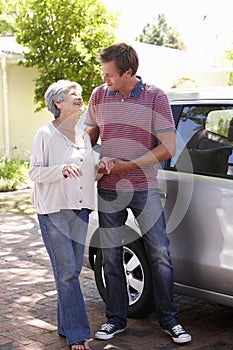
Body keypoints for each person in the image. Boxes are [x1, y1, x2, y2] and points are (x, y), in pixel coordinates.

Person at [85, 43, 192, 345]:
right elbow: (88, 139)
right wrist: (96, 158)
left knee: (160, 254)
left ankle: (170, 321)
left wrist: (127, 166)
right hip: (108, 189)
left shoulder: (155, 97)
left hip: (144, 186)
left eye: (109, 75)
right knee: (111, 255)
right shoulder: (98, 95)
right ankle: (116, 319)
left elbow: (168, 148)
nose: (104, 80)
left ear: (128, 72)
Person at [29, 79, 95, 350]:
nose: (79, 97)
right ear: (57, 102)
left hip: (80, 209)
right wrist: (60, 169)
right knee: (67, 272)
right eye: (72, 94)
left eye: (79, 94)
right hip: (54, 211)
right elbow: (33, 172)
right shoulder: (45, 133)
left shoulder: (84, 135)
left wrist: (102, 166)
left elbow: (87, 170)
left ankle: (64, 324)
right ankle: (77, 334)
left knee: (72, 271)